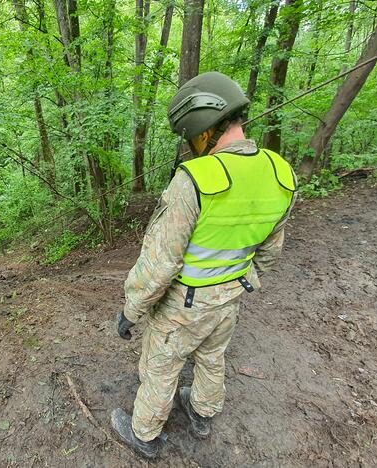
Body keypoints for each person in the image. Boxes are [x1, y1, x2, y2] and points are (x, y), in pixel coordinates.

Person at [109, 71, 297, 459]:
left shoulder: (195, 179)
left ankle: (143, 434)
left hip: (184, 304)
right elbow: (270, 249)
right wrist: (240, 279)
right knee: (212, 357)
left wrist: (132, 310)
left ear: (200, 127)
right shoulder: (280, 172)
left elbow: (161, 262)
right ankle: (202, 413)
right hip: (231, 297)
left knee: (161, 366)